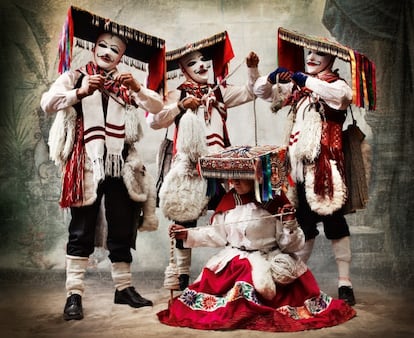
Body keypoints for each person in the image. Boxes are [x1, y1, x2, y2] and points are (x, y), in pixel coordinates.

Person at [40, 6, 165, 320]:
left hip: (121, 164)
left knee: (122, 226)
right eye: (103, 46)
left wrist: (138, 88)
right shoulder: (76, 77)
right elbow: (47, 103)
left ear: (122, 57)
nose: (108, 52)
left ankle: (123, 288)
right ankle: (74, 295)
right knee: (81, 229)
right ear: (93, 49)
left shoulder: (126, 84)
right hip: (87, 163)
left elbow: (159, 112)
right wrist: (80, 92)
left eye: (116, 49)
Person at [253, 27, 374, 306]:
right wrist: (266, 75)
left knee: (334, 221)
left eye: (319, 53)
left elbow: (338, 97)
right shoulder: (299, 89)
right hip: (296, 169)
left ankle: (345, 283)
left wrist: (302, 78)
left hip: (325, 167)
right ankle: (298, 279)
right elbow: (263, 93)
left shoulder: (337, 86)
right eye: (309, 52)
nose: (312, 56)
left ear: (331, 60)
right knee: (304, 224)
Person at [157, 174, 356, 332]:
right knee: (224, 288)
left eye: (241, 177)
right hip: (234, 258)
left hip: (268, 258)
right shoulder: (228, 201)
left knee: (262, 288)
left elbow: (291, 245)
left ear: (256, 176)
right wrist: (186, 235)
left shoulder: (275, 204)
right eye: (232, 177)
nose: (234, 181)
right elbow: (216, 236)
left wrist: (289, 223)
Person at [147, 32, 261, 290]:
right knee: (184, 221)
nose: (200, 66)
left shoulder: (219, 92)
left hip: (220, 169)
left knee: (233, 217)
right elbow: (153, 121)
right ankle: (182, 275)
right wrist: (180, 107)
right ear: (182, 69)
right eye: (192, 63)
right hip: (189, 169)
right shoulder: (176, 94)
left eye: (203, 61)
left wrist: (252, 69)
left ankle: (234, 270)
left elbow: (251, 92)